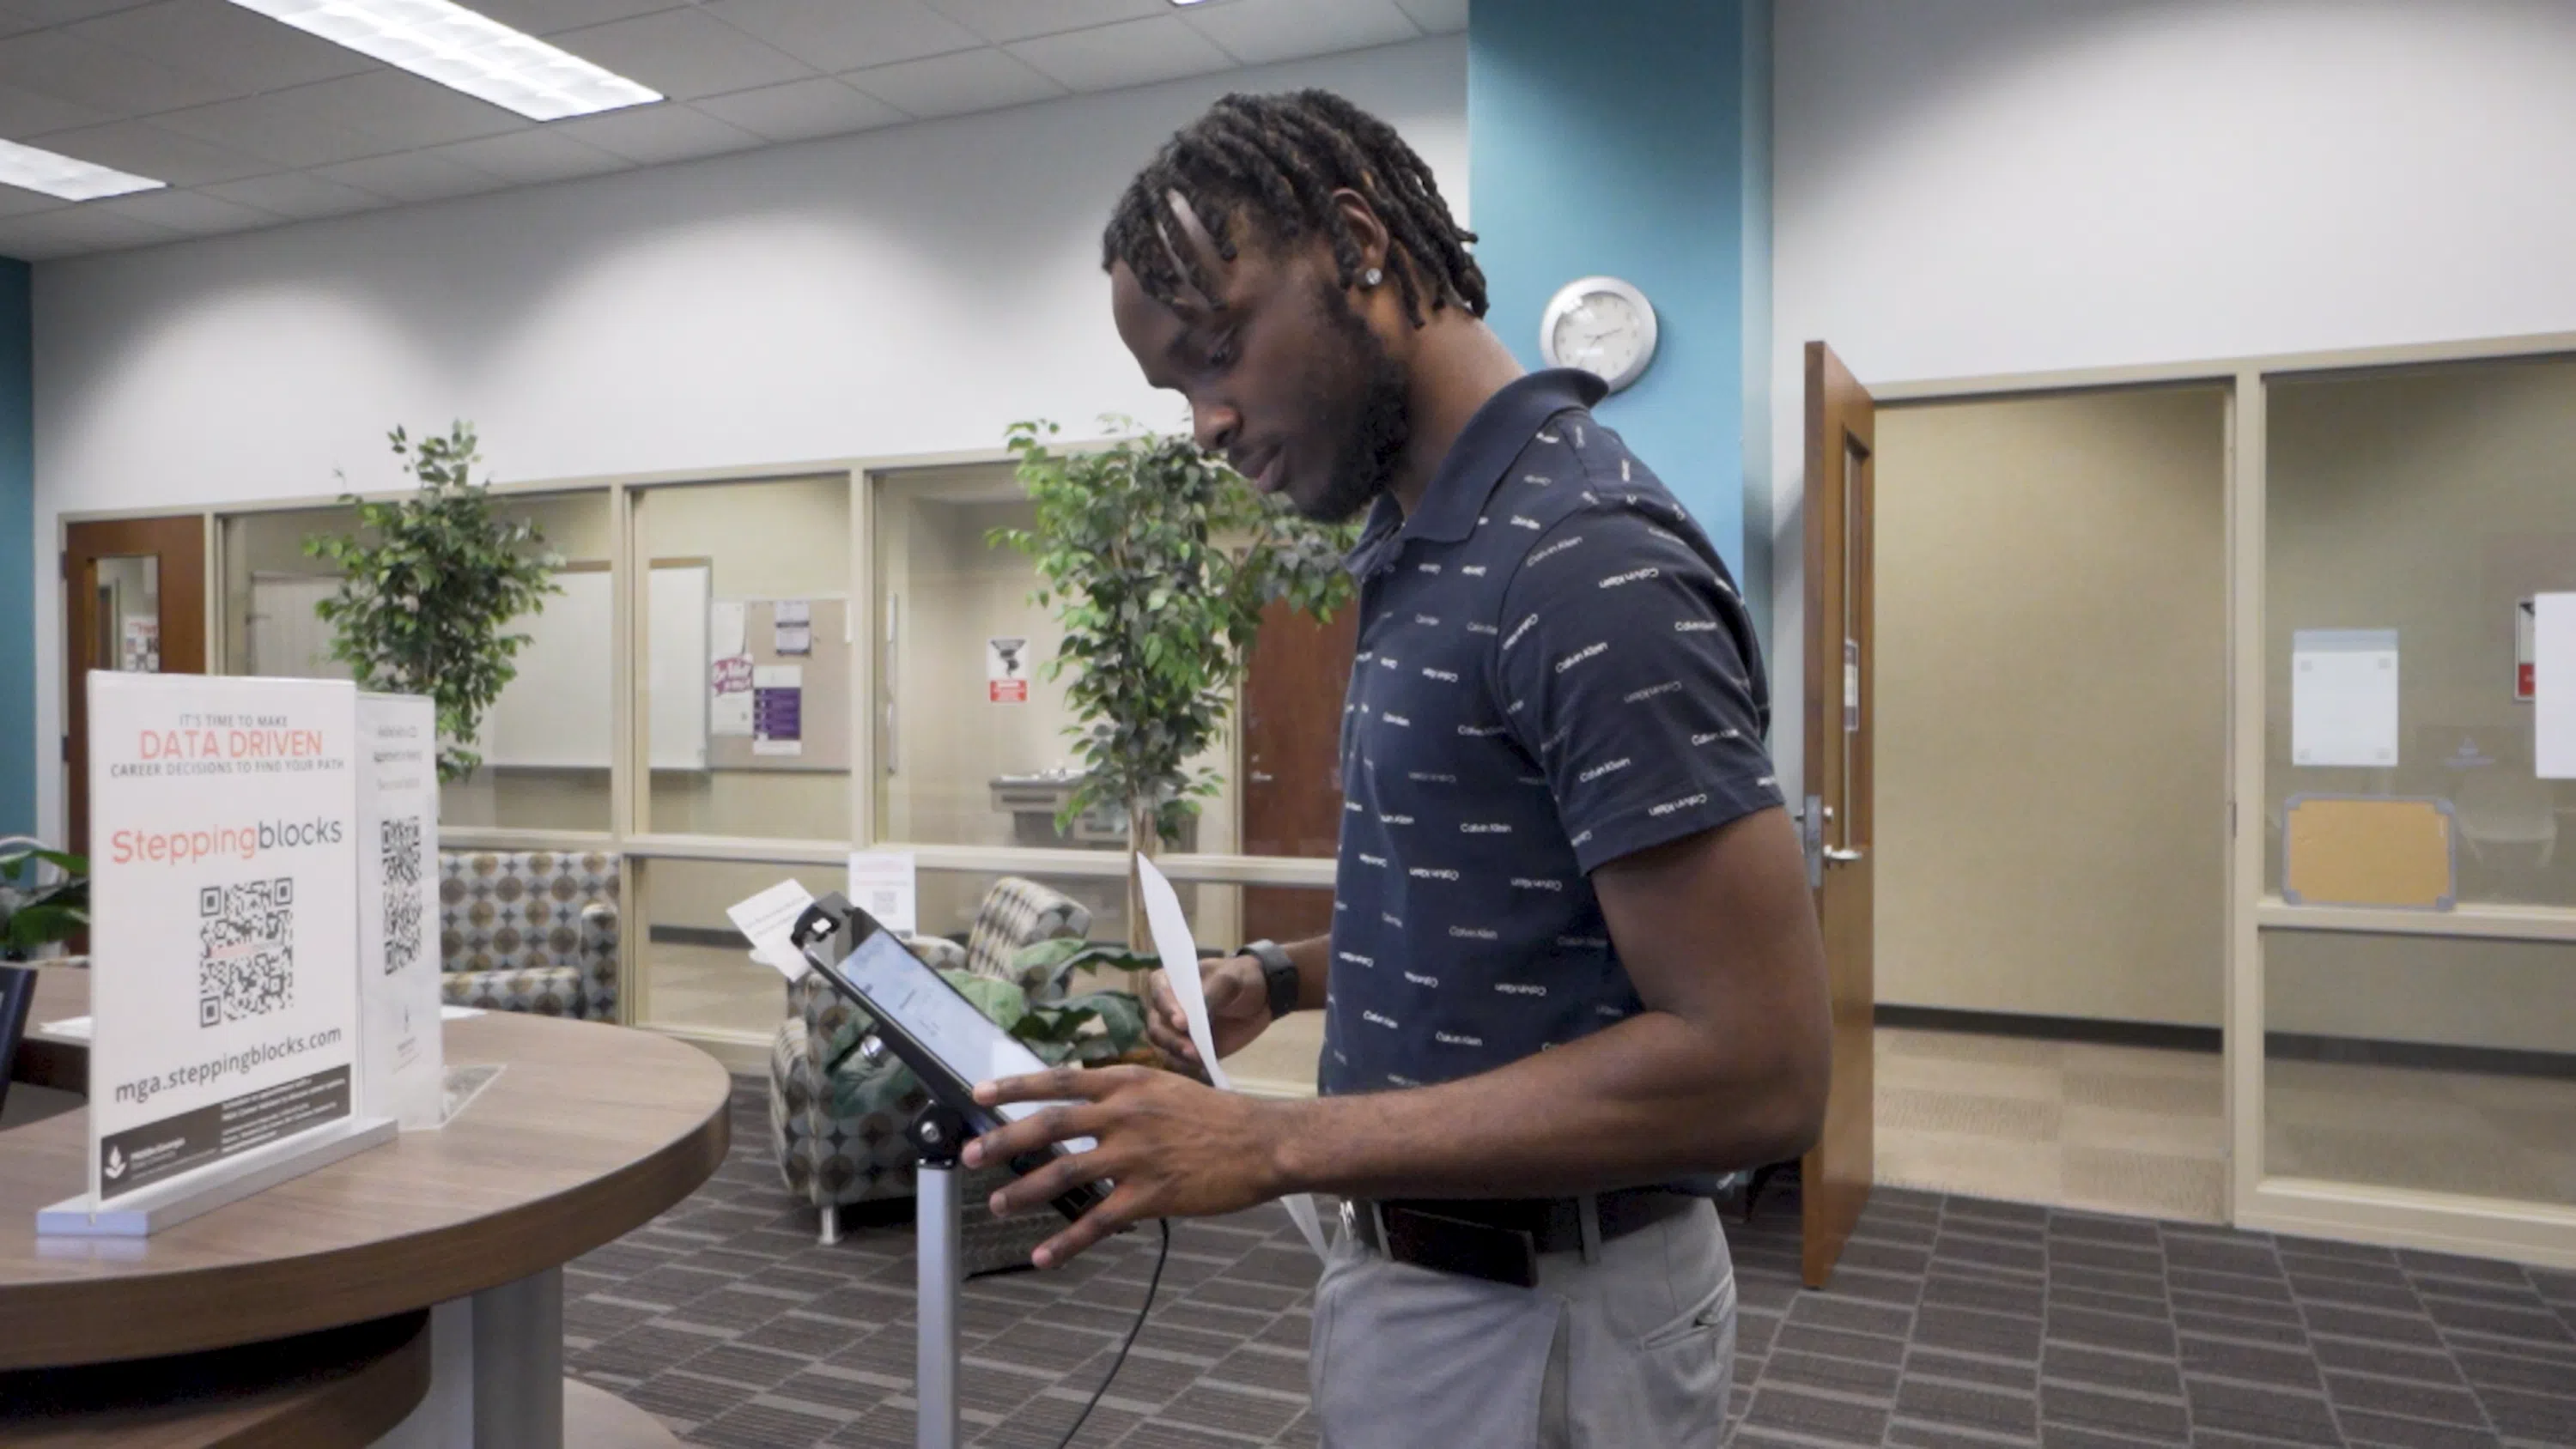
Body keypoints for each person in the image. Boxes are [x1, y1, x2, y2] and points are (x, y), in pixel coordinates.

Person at [963, 88, 1832, 1447]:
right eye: (1176, 386)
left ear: (1361, 247)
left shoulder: (1583, 558)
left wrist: (1272, 1145)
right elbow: (1510, 901)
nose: (1206, 421)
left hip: (1546, 1311)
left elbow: (1760, 1065)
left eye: (1218, 350)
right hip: (1436, 1282)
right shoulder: (1427, 538)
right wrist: (1286, 975)